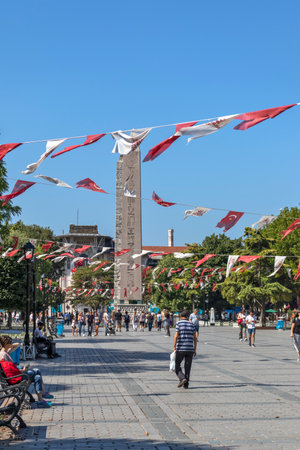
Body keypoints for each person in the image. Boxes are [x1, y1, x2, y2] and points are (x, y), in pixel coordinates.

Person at [0, 335, 53, 408]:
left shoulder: (4, 352)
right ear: (6, 344)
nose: (12, 343)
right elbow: (9, 371)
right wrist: (23, 370)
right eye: (10, 342)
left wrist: (9, 345)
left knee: (37, 377)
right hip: (16, 377)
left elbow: (17, 345)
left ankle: (41, 399)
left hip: (15, 375)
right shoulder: (4, 355)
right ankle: (42, 395)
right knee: (37, 371)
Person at [173, 310, 197, 389]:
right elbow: (195, 337)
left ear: (181, 316)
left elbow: (176, 335)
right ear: (187, 316)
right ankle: (186, 384)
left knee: (176, 364)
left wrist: (174, 346)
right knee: (188, 366)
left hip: (181, 348)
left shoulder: (179, 323)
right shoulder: (192, 324)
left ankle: (182, 378)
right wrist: (195, 349)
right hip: (190, 348)